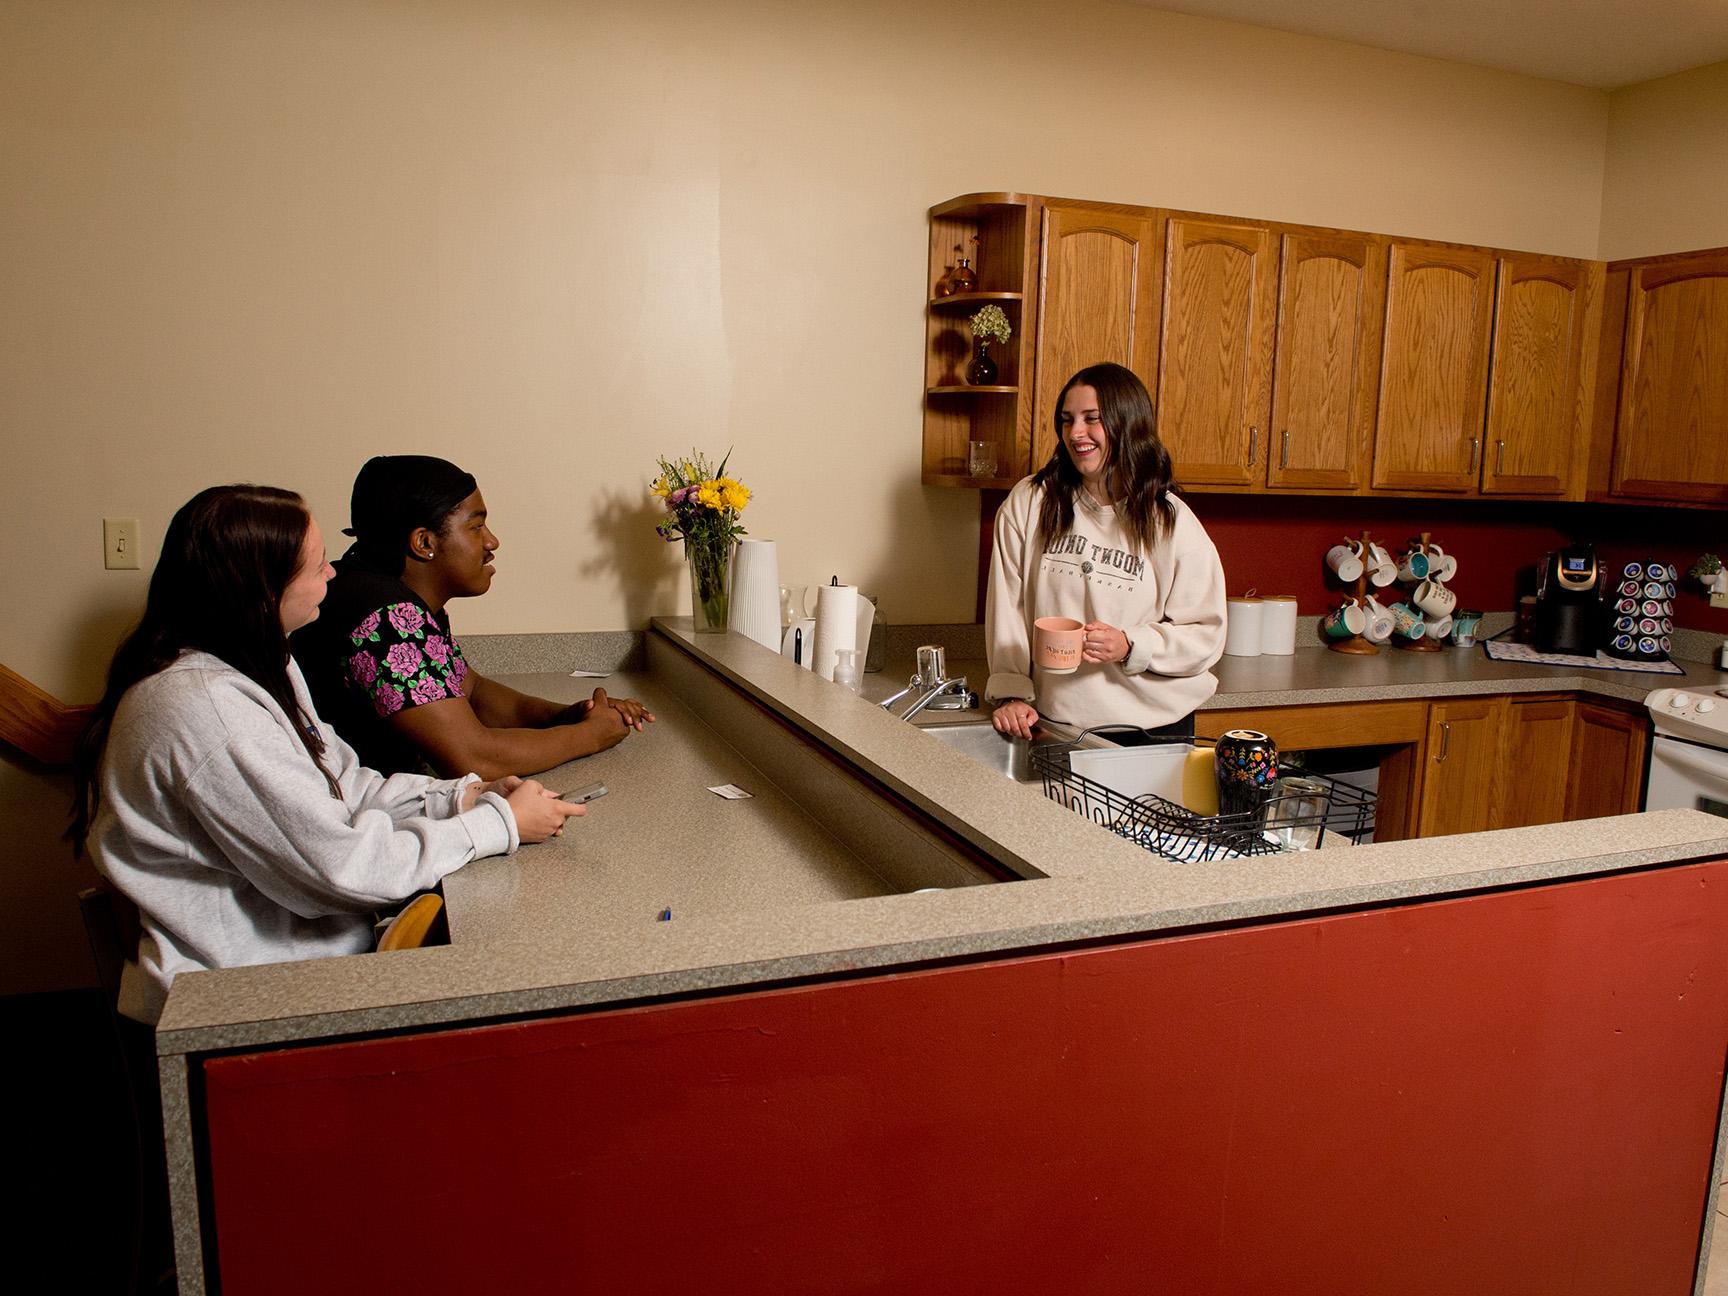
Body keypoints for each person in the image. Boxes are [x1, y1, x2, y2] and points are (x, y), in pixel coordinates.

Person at [70, 484, 583, 1024]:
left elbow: (345, 782)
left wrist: (463, 796)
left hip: (299, 953)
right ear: (263, 587)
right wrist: (498, 825)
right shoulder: (205, 712)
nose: (334, 576)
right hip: (242, 995)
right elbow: (339, 870)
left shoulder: (261, 662)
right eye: (317, 566)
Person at [291, 455, 653, 780]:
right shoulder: (385, 615)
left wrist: (568, 716)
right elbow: (471, 758)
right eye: (476, 527)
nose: (492, 542)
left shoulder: (388, 595)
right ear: (425, 543)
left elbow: (471, 692)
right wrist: (589, 735)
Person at [986, 362, 1227, 742]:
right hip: (1055, 723)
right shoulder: (1031, 502)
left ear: (1127, 424)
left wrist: (1132, 644)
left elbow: (1205, 634)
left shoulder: (1170, 520)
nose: (1076, 433)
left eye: (1091, 419)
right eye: (1067, 420)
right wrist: (1012, 693)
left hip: (1155, 726)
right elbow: (1009, 608)